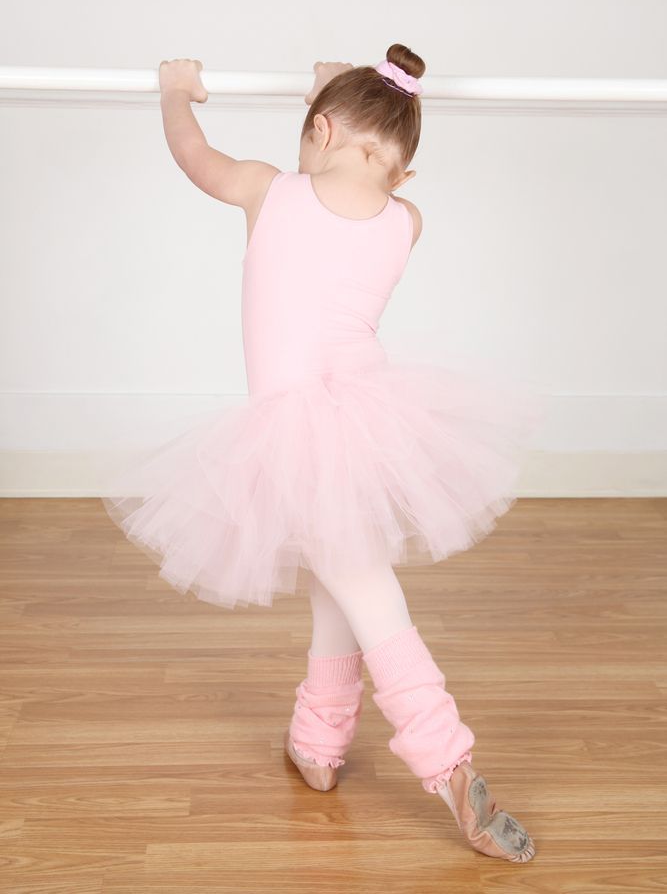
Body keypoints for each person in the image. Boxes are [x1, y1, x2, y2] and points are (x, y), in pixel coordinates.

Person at [101, 44, 545, 863]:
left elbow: (195, 156)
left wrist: (174, 93)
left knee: (366, 593)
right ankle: (317, 740)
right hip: (372, 431)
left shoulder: (266, 190)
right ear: (401, 171)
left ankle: (448, 761)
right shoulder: (405, 221)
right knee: (336, 583)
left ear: (319, 129)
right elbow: (344, 178)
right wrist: (327, 103)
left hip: (294, 432)